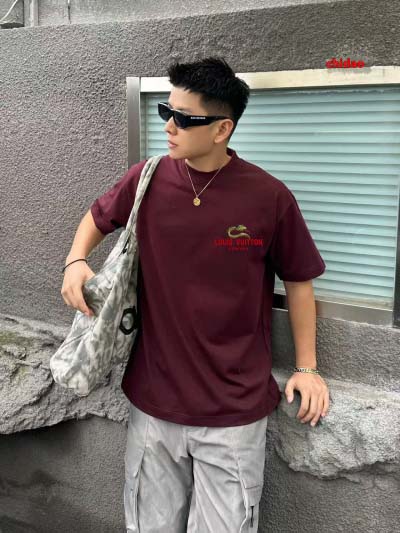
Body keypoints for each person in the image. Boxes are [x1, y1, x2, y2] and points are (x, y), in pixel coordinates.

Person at [61, 56, 330, 532]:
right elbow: (98, 217)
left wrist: (307, 368)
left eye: (184, 118)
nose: (169, 126)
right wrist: (75, 260)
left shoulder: (268, 197)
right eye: (166, 111)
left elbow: (299, 281)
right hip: (154, 403)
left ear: (223, 128)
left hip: (233, 413)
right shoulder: (147, 179)